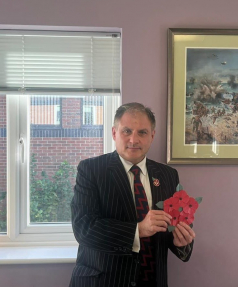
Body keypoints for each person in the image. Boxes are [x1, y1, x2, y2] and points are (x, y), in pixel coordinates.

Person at [69, 102, 195, 287]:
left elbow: (173, 227)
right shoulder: (91, 170)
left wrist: (182, 242)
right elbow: (84, 228)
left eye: (142, 132)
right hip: (103, 281)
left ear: (152, 135)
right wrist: (138, 230)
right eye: (126, 131)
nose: (133, 140)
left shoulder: (168, 175)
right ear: (114, 133)